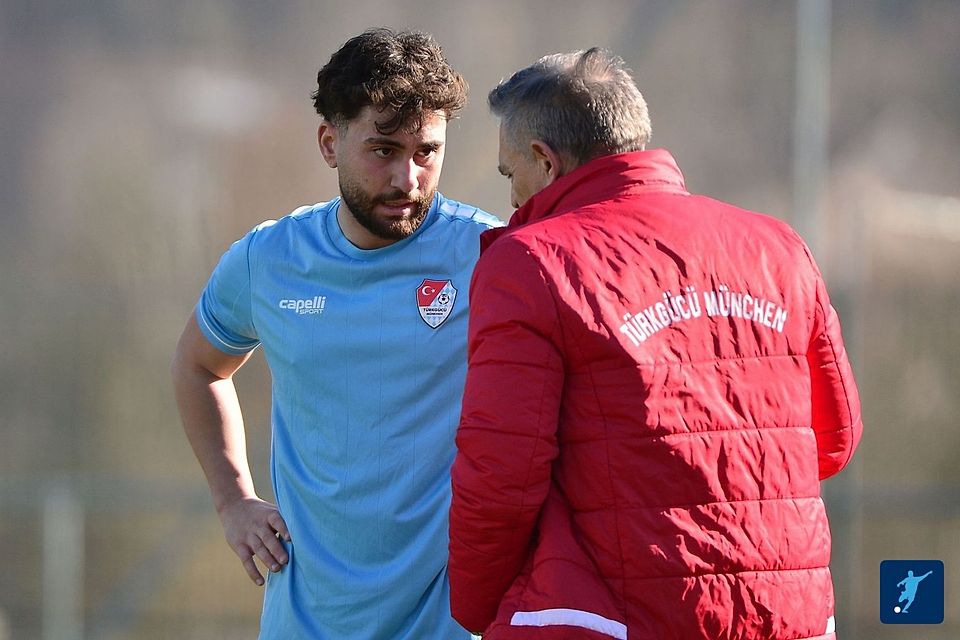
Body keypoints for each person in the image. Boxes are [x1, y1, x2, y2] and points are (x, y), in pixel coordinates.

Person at [448, 47, 862, 640]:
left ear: (543, 160)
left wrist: (480, 609)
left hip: (610, 616)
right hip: (789, 614)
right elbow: (832, 438)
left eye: (510, 175)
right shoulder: (781, 249)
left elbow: (501, 480)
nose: (512, 199)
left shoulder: (533, 263)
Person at [171, 28, 501, 639]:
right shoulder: (267, 261)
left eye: (426, 152)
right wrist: (233, 499)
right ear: (330, 142)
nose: (407, 177)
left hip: (451, 626)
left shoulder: (490, 255)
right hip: (308, 622)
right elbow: (197, 366)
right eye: (383, 149)